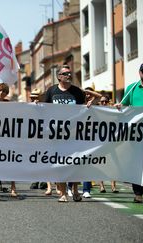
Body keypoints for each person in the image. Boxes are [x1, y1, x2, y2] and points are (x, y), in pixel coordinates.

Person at [115, 62, 143, 205]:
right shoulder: (131, 88)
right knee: (136, 162)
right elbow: (124, 107)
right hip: (135, 133)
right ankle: (138, 193)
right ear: (139, 72)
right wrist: (118, 107)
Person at [45, 64, 85, 203]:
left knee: (74, 164)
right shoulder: (51, 91)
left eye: (70, 73)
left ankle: (74, 191)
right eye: (66, 74)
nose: (69, 75)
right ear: (59, 76)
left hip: (74, 134)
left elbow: (83, 111)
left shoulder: (77, 92)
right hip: (56, 134)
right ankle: (62, 193)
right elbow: (45, 111)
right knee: (60, 164)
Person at [98, 96, 119, 194]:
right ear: (99, 103)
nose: (104, 103)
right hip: (99, 142)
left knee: (113, 164)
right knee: (100, 164)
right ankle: (101, 186)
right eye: (102, 102)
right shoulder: (96, 111)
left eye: (106, 101)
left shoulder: (113, 111)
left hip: (112, 141)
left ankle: (113, 186)